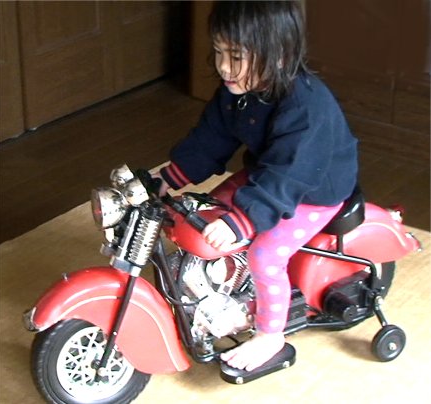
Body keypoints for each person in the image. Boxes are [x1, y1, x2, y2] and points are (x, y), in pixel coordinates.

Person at [153, 1, 358, 372]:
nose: (223, 67)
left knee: (265, 254)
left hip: (311, 189)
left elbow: (290, 175)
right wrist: (170, 177)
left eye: (236, 56)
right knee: (204, 213)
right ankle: (218, 287)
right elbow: (211, 138)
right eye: (218, 52)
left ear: (279, 55)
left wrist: (245, 220)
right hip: (269, 172)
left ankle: (269, 335)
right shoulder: (238, 89)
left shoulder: (305, 106)